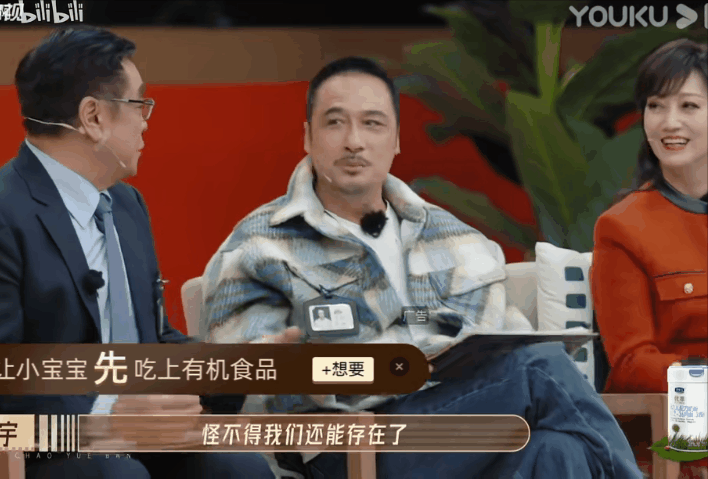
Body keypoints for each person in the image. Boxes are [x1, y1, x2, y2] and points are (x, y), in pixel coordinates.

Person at [200, 56, 642, 478]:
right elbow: (240, 385)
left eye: (372, 123)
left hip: (465, 428)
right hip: (351, 448)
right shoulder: (260, 245)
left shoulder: (457, 239)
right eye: (335, 123)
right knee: (540, 367)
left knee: (558, 448)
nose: (354, 141)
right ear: (307, 137)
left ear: (395, 139)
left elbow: (501, 346)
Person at [0, 26, 273, 478]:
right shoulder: (6, 212)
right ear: (93, 117)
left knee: (240, 469)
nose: (146, 120)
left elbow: (153, 342)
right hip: (44, 447)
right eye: (138, 103)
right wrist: (107, 414)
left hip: (136, 439)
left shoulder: (125, 205)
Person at [591, 38, 707, 477]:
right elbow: (631, 363)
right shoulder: (623, 227)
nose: (669, 122)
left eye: (689, 106)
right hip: (684, 429)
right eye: (656, 106)